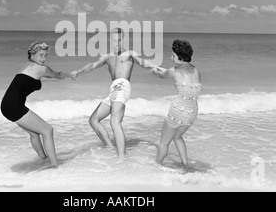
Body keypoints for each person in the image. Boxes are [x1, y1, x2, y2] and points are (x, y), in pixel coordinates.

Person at [71, 28, 157, 158]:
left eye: (119, 40)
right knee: (93, 120)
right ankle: (111, 148)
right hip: (113, 89)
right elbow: (93, 65)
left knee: (115, 121)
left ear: (123, 39)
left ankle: (122, 157)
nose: (117, 43)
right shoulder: (107, 57)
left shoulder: (129, 54)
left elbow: (143, 62)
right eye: (114, 40)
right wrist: (79, 71)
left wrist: (155, 67)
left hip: (122, 85)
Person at [1, 42, 75, 167]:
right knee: (47, 130)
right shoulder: (42, 69)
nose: (43, 59)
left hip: (6, 106)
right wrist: (70, 75)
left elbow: (35, 81)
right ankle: (54, 166)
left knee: (34, 134)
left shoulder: (28, 66)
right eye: (41, 55)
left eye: (45, 55)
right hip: (14, 106)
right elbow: (57, 74)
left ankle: (43, 159)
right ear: (32, 54)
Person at [151, 39, 201, 173]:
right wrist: (164, 70)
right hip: (192, 112)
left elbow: (162, 76)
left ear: (180, 56)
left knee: (164, 142)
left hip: (178, 110)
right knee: (177, 137)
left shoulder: (173, 70)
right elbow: (183, 79)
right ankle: (185, 165)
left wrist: (154, 71)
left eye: (173, 55)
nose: (171, 57)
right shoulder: (196, 70)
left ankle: (157, 166)